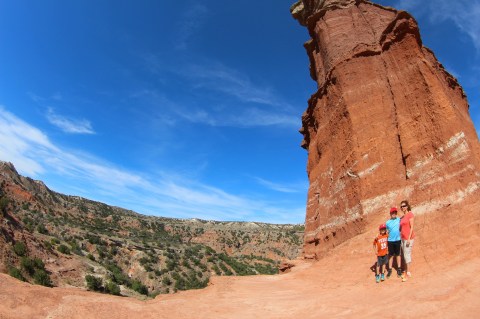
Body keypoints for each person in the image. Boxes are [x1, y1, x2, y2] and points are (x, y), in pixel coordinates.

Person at [399, 200, 415, 282]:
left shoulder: (410, 214)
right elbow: (400, 228)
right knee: (404, 255)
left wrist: (409, 238)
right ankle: (405, 271)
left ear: (407, 206)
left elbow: (412, 227)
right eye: (401, 206)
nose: (402, 207)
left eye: (404, 206)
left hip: (408, 238)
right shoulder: (402, 217)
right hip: (402, 238)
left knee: (407, 255)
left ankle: (408, 272)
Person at [386, 207, 401, 278]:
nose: (394, 214)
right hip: (390, 241)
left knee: (398, 254)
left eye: (395, 212)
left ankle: (399, 269)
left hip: (398, 240)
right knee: (391, 255)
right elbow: (386, 232)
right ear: (390, 214)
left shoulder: (399, 220)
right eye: (392, 213)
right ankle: (390, 269)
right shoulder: (387, 222)